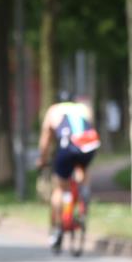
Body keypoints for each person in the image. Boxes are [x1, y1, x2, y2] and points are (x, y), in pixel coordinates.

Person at [36, 89, 101, 249]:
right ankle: (84, 192)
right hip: (88, 145)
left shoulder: (53, 110)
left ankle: (58, 227)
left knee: (60, 188)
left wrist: (42, 159)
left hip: (67, 147)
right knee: (82, 170)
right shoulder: (84, 108)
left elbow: (45, 139)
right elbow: (90, 127)